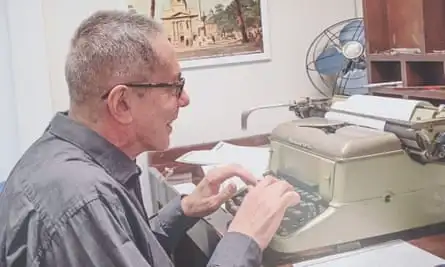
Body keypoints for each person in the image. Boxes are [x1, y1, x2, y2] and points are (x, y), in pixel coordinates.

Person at [0, 10, 300, 267]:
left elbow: (124, 250)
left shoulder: (68, 161)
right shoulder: (81, 199)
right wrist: (244, 236)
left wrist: (182, 211)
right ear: (122, 104)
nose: (185, 99)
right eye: (174, 86)